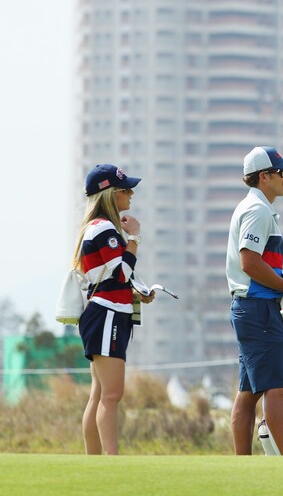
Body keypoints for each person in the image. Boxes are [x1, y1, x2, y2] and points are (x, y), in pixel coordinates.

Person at [226, 146, 283, 455]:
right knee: (275, 388)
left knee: (249, 390)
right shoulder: (257, 210)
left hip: (251, 307)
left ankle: (243, 463)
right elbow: (250, 263)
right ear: (263, 177)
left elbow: (265, 265)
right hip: (258, 308)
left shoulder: (257, 208)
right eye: (281, 172)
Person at [76, 163, 153, 455]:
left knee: (99, 395)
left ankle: (96, 463)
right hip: (106, 314)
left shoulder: (98, 227)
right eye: (125, 190)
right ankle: (110, 462)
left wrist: (137, 292)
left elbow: (114, 277)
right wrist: (134, 237)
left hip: (106, 312)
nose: (131, 194)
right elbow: (120, 273)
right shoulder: (104, 227)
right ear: (109, 195)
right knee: (111, 394)